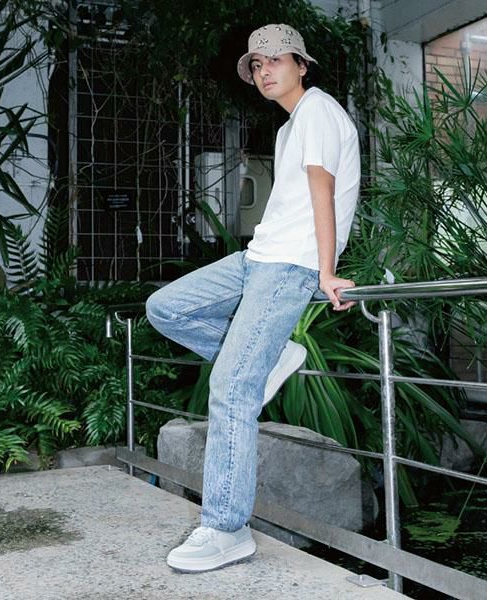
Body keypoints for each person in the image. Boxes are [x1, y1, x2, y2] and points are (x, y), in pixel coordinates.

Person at [146, 23, 360, 572]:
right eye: (257, 65)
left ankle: (226, 528)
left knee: (233, 387)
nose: (265, 71)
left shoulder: (317, 111)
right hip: (259, 258)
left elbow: (323, 191)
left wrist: (326, 271)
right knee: (165, 308)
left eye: (275, 60)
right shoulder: (291, 126)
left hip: (290, 265)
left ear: (302, 65)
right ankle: (279, 355)